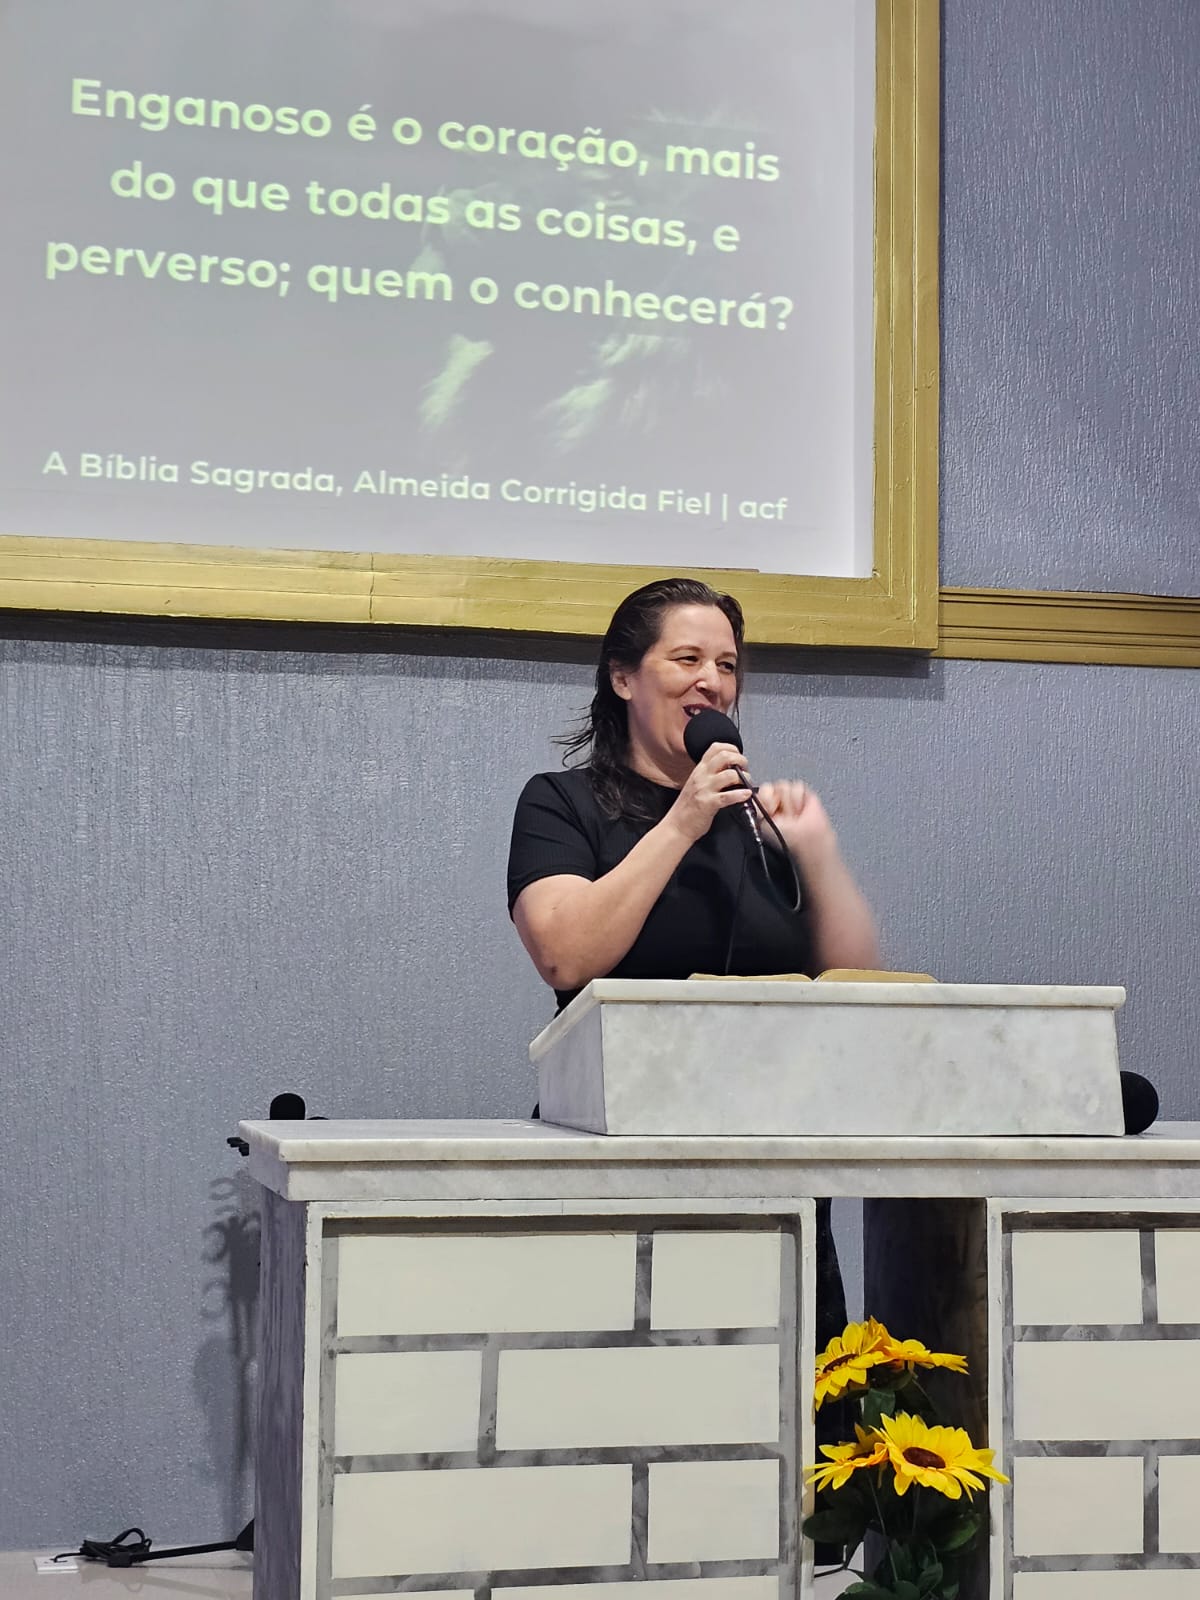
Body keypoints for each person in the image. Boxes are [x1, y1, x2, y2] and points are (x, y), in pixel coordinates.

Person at [507, 576, 879, 1011]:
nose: (711, 681)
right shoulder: (561, 801)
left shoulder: (761, 821)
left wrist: (818, 854)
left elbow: (862, 989)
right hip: (629, 1053)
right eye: (688, 659)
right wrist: (682, 825)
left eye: (726, 666)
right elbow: (562, 958)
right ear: (623, 678)